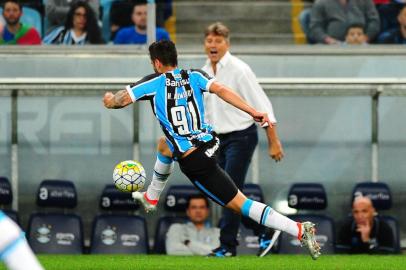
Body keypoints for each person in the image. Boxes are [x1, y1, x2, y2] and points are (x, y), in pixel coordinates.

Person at [103, 40, 321, 260]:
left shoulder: (154, 82)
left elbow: (119, 101)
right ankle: (151, 197)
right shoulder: (195, 75)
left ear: (156, 63)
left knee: (242, 205)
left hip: (196, 162)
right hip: (210, 143)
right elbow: (223, 90)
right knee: (165, 144)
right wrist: (252, 111)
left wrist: (109, 99)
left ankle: (299, 230)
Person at [202, 22, 284, 257]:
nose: (213, 45)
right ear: (204, 44)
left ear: (227, 44)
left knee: (230, 190)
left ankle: (227, 246)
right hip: (216, 139)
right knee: (221, 192)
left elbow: (263, 107)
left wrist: (273, 140)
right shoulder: (204, 70)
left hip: (241, 136)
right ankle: (263, 229)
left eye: (218, 41)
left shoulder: (240, 70)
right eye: (209, 41)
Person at [309, 0, 380, 44]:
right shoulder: (320, 2)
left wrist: (366, 38)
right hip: (332, 46)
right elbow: (315, 27)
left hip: (361, 44)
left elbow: (374, 21)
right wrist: (328, 40)